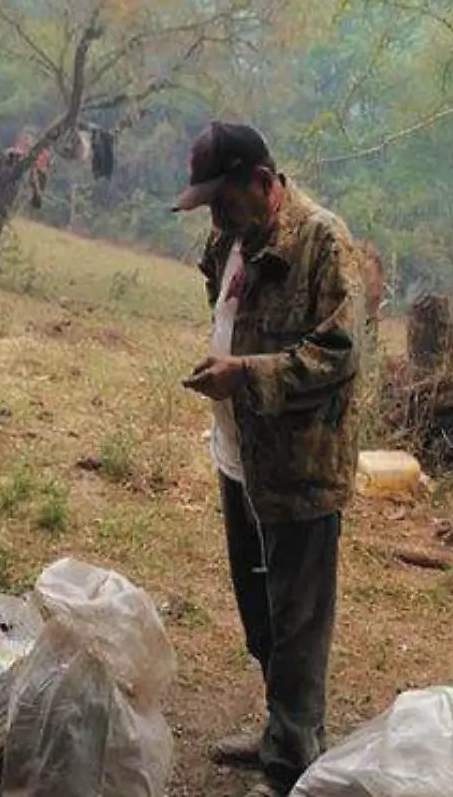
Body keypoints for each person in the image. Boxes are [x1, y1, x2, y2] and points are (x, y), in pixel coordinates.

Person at [176, 122, 362, 797]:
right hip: (239, 456)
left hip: (300, 468)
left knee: (298, 621)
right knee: (260, 609)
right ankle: (279, 729)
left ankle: (291, 765)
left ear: (261, 181)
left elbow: (338, 355)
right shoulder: (232, 236)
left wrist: (243, 375)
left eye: (221, 200)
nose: (215, 216)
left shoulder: (323, 242)